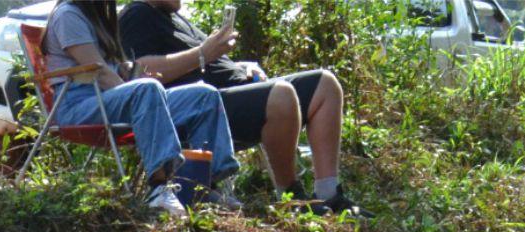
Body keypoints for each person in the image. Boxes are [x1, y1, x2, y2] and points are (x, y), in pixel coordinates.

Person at [118, 0, 361, 215]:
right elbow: (140, 72)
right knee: (282, 95)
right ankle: (291, 197)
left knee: (325, 84)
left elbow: (208, 62)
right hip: (204, 109)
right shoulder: (138, 14)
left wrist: (241, 66)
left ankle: (329, 194)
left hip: (234, 93)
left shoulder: (175, 18)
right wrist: (203, 53)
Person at [42, 0, 238, 218]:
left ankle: (206, 186)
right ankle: (160, 188)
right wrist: (137, 91)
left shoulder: (97, 17)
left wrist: (134, 76)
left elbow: (118, 69)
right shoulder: (67, 14)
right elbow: (101, 72)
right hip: (78, 107)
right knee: (146, 89)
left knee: (203, 95)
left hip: (107, 99)